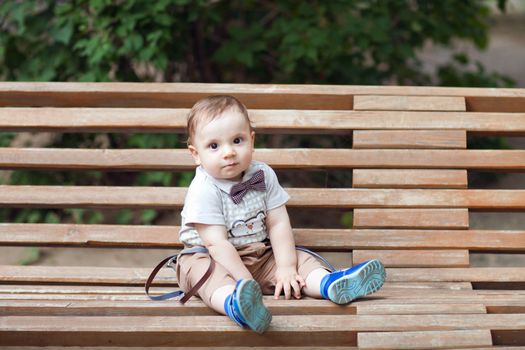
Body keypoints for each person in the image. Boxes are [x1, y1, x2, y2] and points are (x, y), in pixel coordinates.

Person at [175, 95, 385, 334]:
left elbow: (277, 223)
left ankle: (329, 284)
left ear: (251, 140)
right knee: (208, 277)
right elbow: (217, 243)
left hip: (259, 253)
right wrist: (246, 281)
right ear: (195, 153)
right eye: (214, 146)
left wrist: (286, 266)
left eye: (237, 140)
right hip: (210, 257)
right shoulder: (204, 188)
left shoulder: (262, 174)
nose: (229, 152)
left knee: (299, 260)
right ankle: (236, 304)